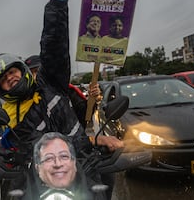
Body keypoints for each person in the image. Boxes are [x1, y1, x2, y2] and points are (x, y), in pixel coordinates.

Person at [0, 0, 106, 199]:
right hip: (42, 184)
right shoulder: (10, 118)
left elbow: (53, 43)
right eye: (4, 80)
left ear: (23, 71)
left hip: (83, 168)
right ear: (1, 90)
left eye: (13, 72)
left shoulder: (50, 83)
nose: (11, 78)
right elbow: (13, 150)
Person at [25, 54, 123, 200]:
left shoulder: (68, 92)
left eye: (40, 71)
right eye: (32, 73)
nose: (37, 76)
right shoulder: (24, 103)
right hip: (42, 164)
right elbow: (20, 137)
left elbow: (85, 118)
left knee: (105, 178)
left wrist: (93, 99)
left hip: (78, 157)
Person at [25, 132, 95, 199]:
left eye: (64, 156)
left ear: (74, 163)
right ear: (37, 168)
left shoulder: (93, 191)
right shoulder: (25, 190)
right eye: (49, 158)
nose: (58, 164)